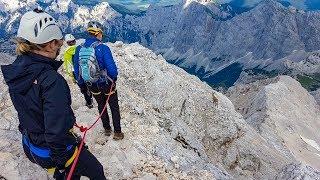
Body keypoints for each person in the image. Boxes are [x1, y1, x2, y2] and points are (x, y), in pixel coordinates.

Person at [1, 9, 106, 179]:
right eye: (58, 42)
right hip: (49, 152)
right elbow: (55, 132)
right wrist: (62, 164)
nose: (60, 46)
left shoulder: (16, 70)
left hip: (30, 145)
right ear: (50, 45)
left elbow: (26, 110)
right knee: (96, 171)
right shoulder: (52, 81)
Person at [73, 21, 124, 140]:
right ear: (97, 33)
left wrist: (82, 85)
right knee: (114, 106)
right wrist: (114, 78)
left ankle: (107, 129)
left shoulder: (79, 49)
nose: (102, 35)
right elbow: (112, 69)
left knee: (101, 105)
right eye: (101, 33)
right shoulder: (103, 48)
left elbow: (77, 70)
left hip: (91, 84)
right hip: (106, 83)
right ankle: (117, 133)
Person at [63, 34, 93, 109]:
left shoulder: (66, 52)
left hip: (75, 72)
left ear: (67, 43)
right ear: (75, 41)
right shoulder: (80, 49)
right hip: (84, 69)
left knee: (83, 88)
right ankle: (91, 95)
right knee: (89, 84)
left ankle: (89, 103)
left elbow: (68, 65)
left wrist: (71, 76)